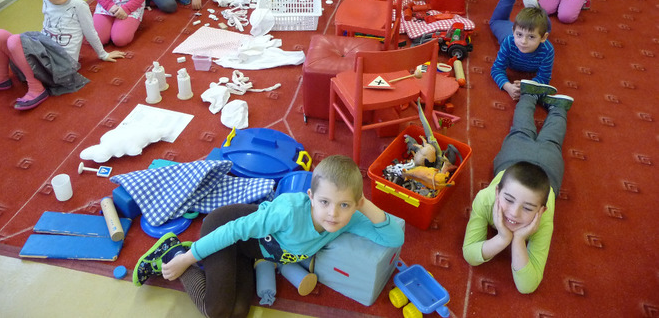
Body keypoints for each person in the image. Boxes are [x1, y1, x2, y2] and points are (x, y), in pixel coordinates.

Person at [133, 155, 404, 318]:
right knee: (217, 311)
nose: (333, 214)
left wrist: (363, 204)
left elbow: (393, 238)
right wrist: (186, 260)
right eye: (324, 202)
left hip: (247, 251)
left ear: (355, 204)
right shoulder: (288, 211)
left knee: (238, 313)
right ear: (310, 197)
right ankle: (173, 252)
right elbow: (233, 230)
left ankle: (195, 255)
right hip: (224, 228)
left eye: (344, 204)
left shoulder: (349, 218)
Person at [463, 81, 573, 294]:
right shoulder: (485, 198)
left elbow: (527, 286)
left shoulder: (544, 220)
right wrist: (503, 238)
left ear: (542, 210)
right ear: (497, 191)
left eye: (528, 208)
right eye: (509, 200)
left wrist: (518, 239)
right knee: (532, 134)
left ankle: (548, 103)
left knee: (538, 136)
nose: (514, 213)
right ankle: (541, 100)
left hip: (547, 168)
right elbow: (470, 255)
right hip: (515, 159)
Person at [0, 0, 125, 110]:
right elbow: (47, 26)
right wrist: (31, 47)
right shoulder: (47, 1)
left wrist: (103, 54)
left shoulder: (78, 5)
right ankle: (0, 77)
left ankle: (36, 88)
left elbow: (90, 32)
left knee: (14, 40)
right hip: (45, 52)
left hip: (61, 64)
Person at [491, 0, 554, 101]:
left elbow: (544, 78)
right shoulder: (509, 40)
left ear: (543, 38)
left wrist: (526, 87)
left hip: (530, 31)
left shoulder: (547, 50)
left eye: (531, 37)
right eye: (519, 35)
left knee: (498, 21)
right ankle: (533, 7)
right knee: (498, 22)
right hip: (511, 33)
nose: (523, 42)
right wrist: (508, 87)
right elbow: (496, 68)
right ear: (513, 31)